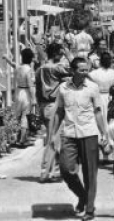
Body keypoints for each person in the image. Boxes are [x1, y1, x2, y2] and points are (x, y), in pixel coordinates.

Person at [48, 57, 110, 221]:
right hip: (69, 133)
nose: (85, 73)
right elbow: (59, 112)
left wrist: (104, 133)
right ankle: (83, 196)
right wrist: (53, 134)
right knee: (66, 169)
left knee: (90, 173)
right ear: (72, 70)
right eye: (81, 70)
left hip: (89, 133)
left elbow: (98, 112)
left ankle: (89, 209)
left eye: (86, 70)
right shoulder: (63, 88)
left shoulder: (93, 87)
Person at [37, 43, 71, 183]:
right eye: (61, 53)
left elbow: (37, 89)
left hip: (43, 105)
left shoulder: (40, 69)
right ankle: (45, 172)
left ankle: (55, 171)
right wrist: (69, 55)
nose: (62, 56)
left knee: (55, 139)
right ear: (56, 54)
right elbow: (75, 70)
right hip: (53, 105)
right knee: (52, 139)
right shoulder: (57, 68)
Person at [9, 48, 37, 148]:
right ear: (31, 58)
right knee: (25, 116)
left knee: (17, 116)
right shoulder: (29, 70)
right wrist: (33, 99)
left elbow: (13, 65)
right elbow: (30, 85)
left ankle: (14, 138)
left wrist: (7, 59)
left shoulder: (19, 68)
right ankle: (22, 140)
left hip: (18, 92)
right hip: (26, 93)